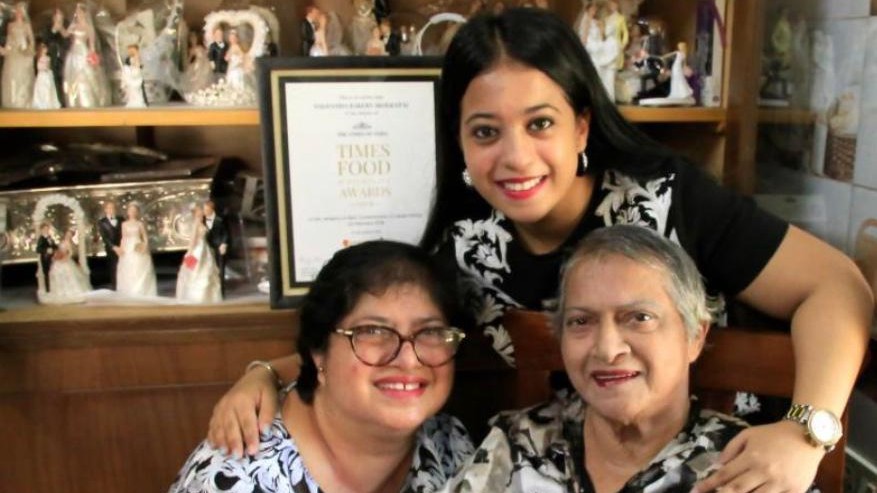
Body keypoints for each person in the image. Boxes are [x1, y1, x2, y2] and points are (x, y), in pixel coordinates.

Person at [208, 9, 871, 492]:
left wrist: (805, 432)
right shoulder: (467, 241)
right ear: (460, 144)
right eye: (485, 131)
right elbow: (392, 338)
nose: (515, 156)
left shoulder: (669, 198)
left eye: (540, 123)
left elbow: (837, 288)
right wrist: (267, 369)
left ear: (581, 123)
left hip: (720, 467)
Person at [442, 225, 792, 492]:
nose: (607, 350)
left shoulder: (746, 466)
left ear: (694, 336)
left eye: (639, 318)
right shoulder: (520, 444)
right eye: (581, 321)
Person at [169, 241, 474, 492]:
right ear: (317, 353)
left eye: (430, 332)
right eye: (372, 331)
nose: (408, 359)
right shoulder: (235, 478)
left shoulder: (448, 445)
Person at [60, 2, 111, 108]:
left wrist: (93, 58)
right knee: (73, 76)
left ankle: (87, 101)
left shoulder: (88, 28)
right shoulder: (74, 26)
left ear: (84, 13)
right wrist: (59, 26)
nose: (77, 14)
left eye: (79, 12)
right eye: (76, 13)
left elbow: (92, 45)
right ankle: (74, 101)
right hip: (74, 52)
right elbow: (65, 34)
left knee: (85, 76)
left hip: (83, 52)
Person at [175, 204, 221, 304]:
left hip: (205, 249)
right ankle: (196, 297)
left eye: (201, 210)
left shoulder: (202, 223)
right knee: (194, 271)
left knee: (207, 270)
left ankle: (208, 297)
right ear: (195, 213)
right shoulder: (196, 224)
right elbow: (193, 240)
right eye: (199, 211)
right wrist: (190, 253)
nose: (201, 212)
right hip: (198, 250)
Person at [116, 202, 157, 297]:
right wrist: (121, 248)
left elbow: (145, 236)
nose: (132, 212)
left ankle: (141, 290)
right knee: (128, 267)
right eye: (131, 211)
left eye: (134, 211)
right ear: (128, 212)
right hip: (127, 247)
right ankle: (129, 291)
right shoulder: (124, 224)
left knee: (139, 266)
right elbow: (123, 237)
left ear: (137, 212)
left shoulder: (140, 224)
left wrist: (144, 245)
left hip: (137, 245)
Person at [0, 2, 35, 108]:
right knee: (11, 75)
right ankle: (11, 101)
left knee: (23, 77)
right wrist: (7, 49)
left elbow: (32, 41)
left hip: (23, 52)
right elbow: (9, 39)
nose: (19, 13)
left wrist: (27, 50)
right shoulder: (10, 25)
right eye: (17, 11)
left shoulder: (27, 25)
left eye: (21, 11)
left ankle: (22, 102)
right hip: (13, 52)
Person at [46, 229, 92, 303]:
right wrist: (56, 255)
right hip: (59, 260)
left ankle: (70, 293)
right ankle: (59, 292)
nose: (68, 236)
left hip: (65, 261)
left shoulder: (69, 243)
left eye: (70, 235)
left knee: (68, 275)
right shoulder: (62, 241)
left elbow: (70, 253)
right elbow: (59, 250)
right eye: (68, 234)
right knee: (56, 273)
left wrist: (65, 258)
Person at [203, 200, 229, 296]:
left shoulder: (219, 220)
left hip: (218, 246)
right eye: (204, 209)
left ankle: (221, 291)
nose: (204, 211)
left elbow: (226, 233)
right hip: (207, 247)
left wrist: (223, 243)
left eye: (206, 209)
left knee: (220, 269)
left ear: (211, 209)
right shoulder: (202, 219)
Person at [98, 201, 124, 289]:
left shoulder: (121, 219)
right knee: (114, 267)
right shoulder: (102, 222)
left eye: (113, 207)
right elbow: (105, 238)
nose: (111, 209)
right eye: (109, 208)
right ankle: (115, 287)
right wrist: (114, 247)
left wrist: (122, 245)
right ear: (105, 210)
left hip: (123, 247)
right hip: (111, 249)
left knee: (124, 267)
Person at [32, 42, 61, 109]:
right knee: (41, 88)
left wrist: (47, 69)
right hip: (41, 75)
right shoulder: (39, 58)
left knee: (47, 88)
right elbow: (38, 66)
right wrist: (43, 68)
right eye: (43, 49)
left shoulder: (48, 58)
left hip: (46, 75)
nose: (45, 50)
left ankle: (48, 102)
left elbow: (48, 66)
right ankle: (41, 102)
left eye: (45, 48)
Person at [35, 222, 57, 292]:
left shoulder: (50, 237)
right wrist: (46, 250)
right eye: (44, 229)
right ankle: (48, 290)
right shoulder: (41, 239)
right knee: (47, 273)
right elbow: (38, 249)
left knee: (53, 273)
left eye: (47, 229)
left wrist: (55, 249)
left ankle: (53, 288)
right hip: (45, 258)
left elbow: (54, 246)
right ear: (41, 230)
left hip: (52, 258)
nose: (46, 230)